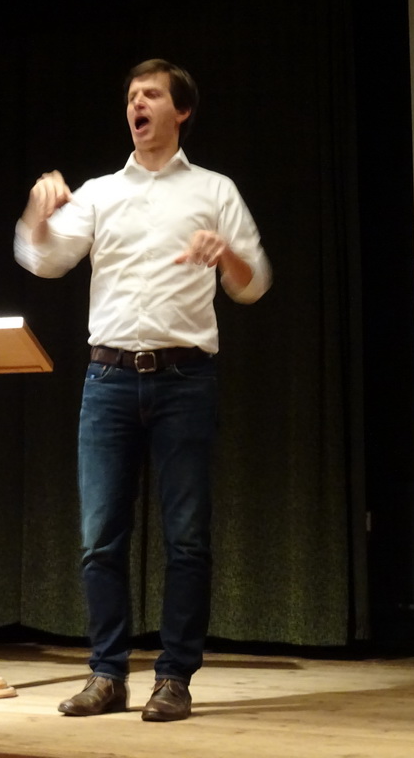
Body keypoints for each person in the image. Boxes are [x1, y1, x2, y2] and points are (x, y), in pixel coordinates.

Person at [14, 59, 271, 721]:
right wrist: (38, 215)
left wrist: (226, 254)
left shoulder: (213, 190)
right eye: (132, 96)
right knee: (100, 536)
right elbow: (44, 260)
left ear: (180, 111)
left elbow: (253, 284)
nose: (138, 104)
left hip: (186, 379)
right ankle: (107, 674)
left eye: (151, 94)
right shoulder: (100, 193)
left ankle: (174, 677)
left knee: (187, 538)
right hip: (108, 380)